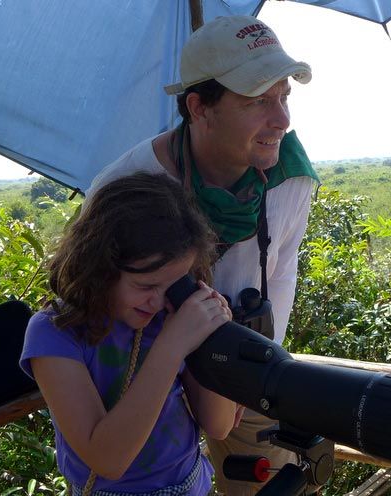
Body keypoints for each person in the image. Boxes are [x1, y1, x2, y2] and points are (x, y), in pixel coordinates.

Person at [87, 15, 319, 495]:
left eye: (283, 97)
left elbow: (281, 276)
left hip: (244, 362)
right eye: (258, 101)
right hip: (148, 367)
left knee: (268, 483)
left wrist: (258, 368)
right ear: (199, 107)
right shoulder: (126, 186)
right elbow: (90, 298)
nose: (282, 120)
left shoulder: (290, 179)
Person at [20, 172, 237, 495]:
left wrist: (216, 338)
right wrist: (172, 345)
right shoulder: (54, 334)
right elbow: (108, 459)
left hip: (190, 484)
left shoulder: (169, 315)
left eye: (174, 284)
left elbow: (218, 425)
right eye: (145, 286)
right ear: (101, 269)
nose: (159, 300)